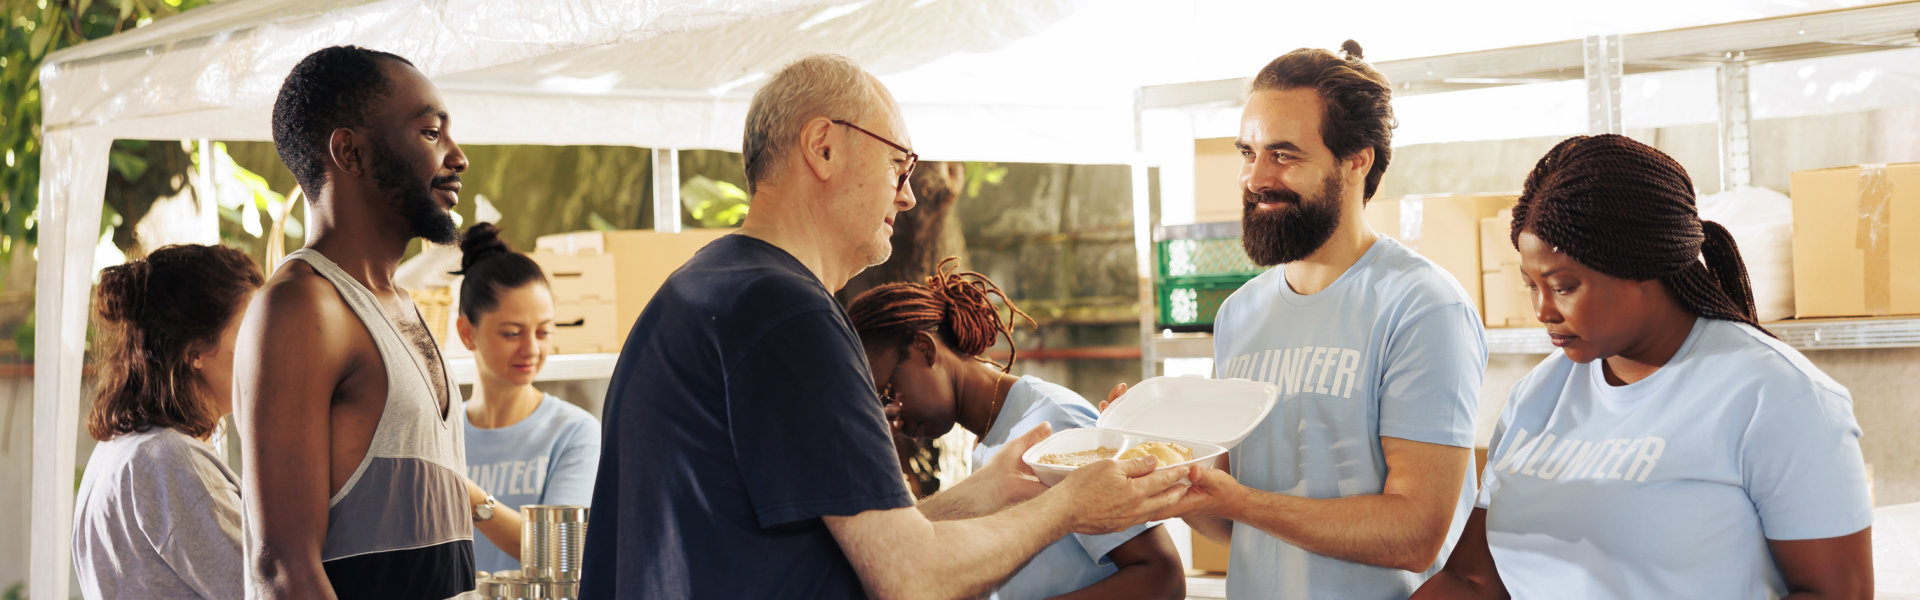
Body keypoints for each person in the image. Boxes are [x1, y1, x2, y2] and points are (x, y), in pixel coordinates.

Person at [580, 54, 1190, 600]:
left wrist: (988, 494)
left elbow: (850, 541)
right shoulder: (791, 314)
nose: (908, 197)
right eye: (900, 164)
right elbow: (911, 578)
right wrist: (1069, 506)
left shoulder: (701, 287)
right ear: (823, 147)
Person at [1411, 134, 1874, 600]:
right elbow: (1472, 581)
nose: (1543, 310)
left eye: (1564, 286)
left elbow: (1837, 594)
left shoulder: (1777, 397)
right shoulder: (1538, 395)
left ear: (1642, 267)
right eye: (1531, 285)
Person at [1122, 41, 1486, 599]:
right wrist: (1165, 462)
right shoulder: (1240, 313)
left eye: (1284, 156)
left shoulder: (1423, 307)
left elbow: (1415, 535)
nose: (1254, 177)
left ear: (1357, 160)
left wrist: (1239, 501)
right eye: (1248, 152)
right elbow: (1229, 524)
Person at [238, 45, 474, 599]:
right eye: (431, 132)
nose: (458, 156)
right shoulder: (302, 307)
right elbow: (282, 568)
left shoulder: (403, 303)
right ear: (349, 151)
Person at [847, 258, 1186, 600]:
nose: (892, 417)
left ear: (925, 349)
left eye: (888, 393)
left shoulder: (1053, 422)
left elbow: (1162, 577)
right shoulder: (988, 439)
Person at [72, 244, 263, 600]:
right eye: (251, 331)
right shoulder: (170, 463)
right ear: (195, 353)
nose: (265, 346)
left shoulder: (121, 450)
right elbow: (267, 589)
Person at [451, 222, 601, 573]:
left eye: (544, 331)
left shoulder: (575, 433)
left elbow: (559, 555)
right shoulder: (442, 434)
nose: (531, 349)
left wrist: (468, 497)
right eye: (512, 333)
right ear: (466, 333)